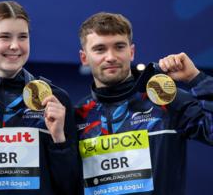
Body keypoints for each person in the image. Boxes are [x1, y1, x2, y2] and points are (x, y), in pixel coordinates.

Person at [0, 1, 81, 195]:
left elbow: (70, 186)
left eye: (23, 37)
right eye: (5, 36)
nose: (14, 45)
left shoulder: (55, 99)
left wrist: (59, 139)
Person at [75, 12, 213, 195]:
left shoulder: (165, 100)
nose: (110, 57)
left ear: (131, 52)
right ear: (84, 57)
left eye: (119, 47)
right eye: (100, 49)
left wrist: (196, 78)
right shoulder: (78, 115)